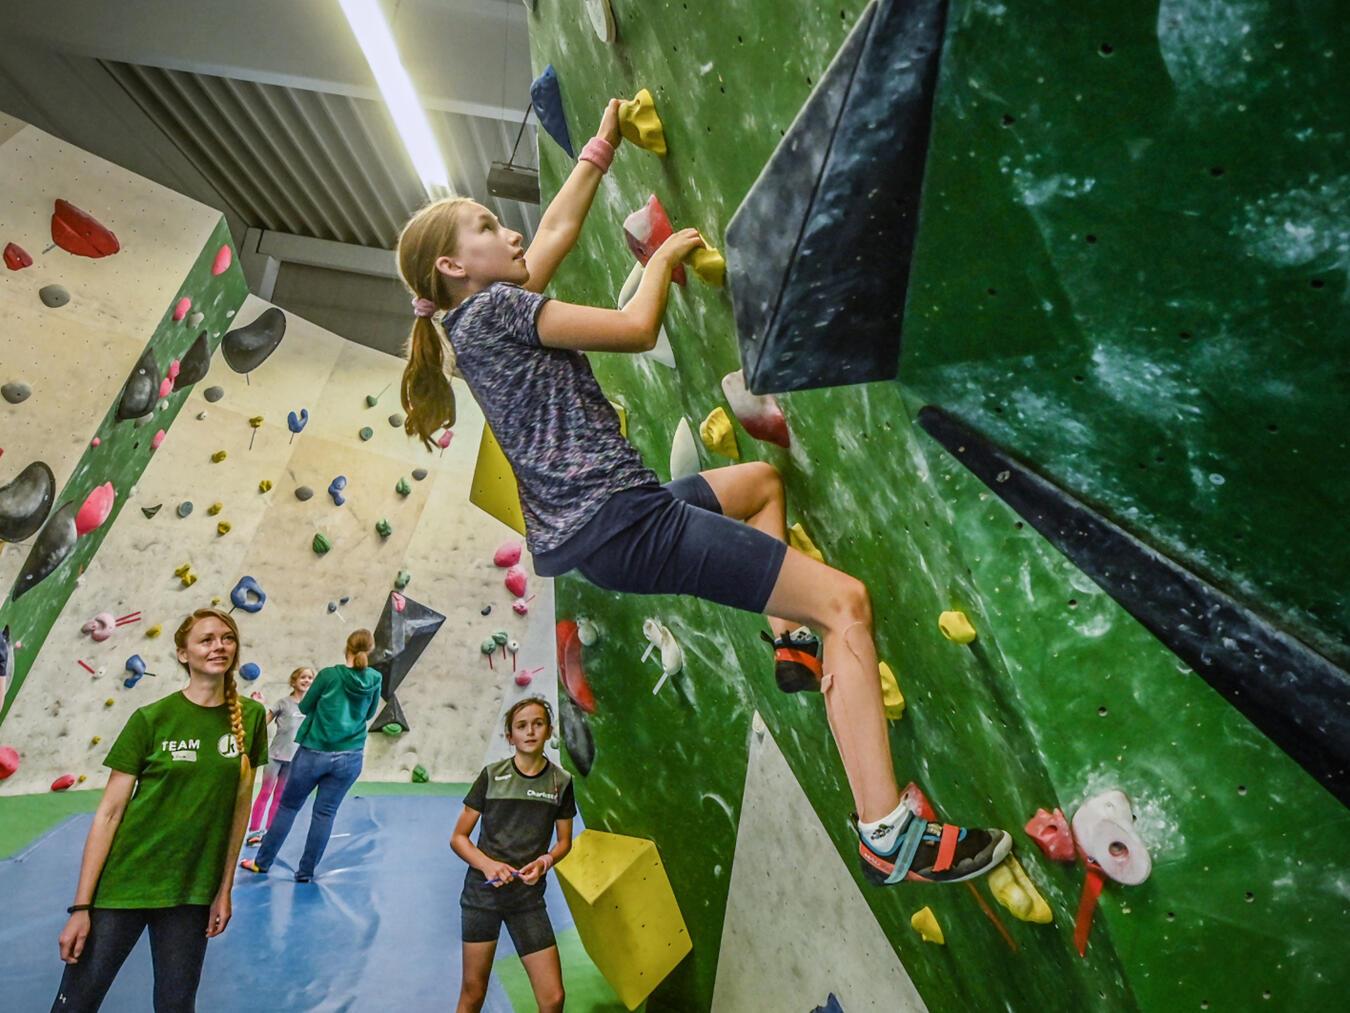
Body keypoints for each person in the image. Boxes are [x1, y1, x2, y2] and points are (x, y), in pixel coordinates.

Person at [396, 97, 1011, 887]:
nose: (509, 232)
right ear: (453, 266)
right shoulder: (500, 310)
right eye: (487, 226)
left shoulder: (475, 322)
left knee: (760, 482)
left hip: (614, 526)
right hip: (626, 521)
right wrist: (661, 257)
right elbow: (635, 330)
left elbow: (549, 235)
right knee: (849, 603)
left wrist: (601, 147)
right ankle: (886, 831)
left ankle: (790, 638)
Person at [51, 608, 266, 1012]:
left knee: (176, 1005)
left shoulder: (250, 719)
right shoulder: (151, 719)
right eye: (206, 639)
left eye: (227, 637)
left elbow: (240, 810)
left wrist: (224, 889)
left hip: (190, 892)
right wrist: (81, 907)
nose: (219, 646)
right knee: (75, 1004)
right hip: (126, 881)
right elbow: (109, 814)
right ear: (183, 653)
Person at [451, 698, 574, 1013]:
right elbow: (459, 838)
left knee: (553, 998)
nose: (530, 731)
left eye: (538, 723)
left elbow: (563, 843)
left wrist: (546, 862)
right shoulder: (492, 776)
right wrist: (489, 866)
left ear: (548, 730)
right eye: (521, 726)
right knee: (473, 992)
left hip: (527, 900)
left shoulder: (561, 782)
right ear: (510, 736)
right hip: (483, 896)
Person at [240, 630, 380, 882]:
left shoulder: (329, 675)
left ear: (346, 647)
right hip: (350, 756)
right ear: (369, 651)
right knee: (325, 814)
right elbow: (369, 714)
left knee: (288, 807)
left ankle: (262, 863)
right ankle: (305, 872)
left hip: (315, 752)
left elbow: (304, 706)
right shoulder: (374, 678)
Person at [245, 666, 314, 847]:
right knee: (265, 792)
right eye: (303, 677)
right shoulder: (283, 703)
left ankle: (269, 831)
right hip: (275, 756)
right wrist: (257, 706)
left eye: (310, 678)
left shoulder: (313, 707)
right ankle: (254, 831)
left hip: (294, 759)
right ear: (294, 681)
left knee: (280, 796)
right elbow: (262, 722)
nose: (306, 680)